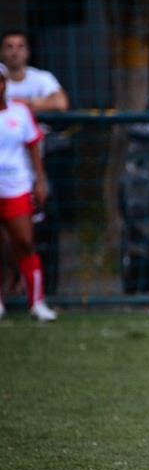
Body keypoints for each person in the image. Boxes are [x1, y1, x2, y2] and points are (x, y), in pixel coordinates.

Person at [0, 63, 56, 321]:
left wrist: (40, 181)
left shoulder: (20, 113)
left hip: (16, 187)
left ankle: (37, 303)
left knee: (24, 242)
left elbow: (33, 147)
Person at [0, 30, 69, 112]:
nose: (15, 52)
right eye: (9, 46)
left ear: (28, 51)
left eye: (20, 46)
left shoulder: (43, 77)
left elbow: (61, 104)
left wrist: (13, 104)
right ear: (1, 52)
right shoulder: (1, 79)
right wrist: (34, 103)